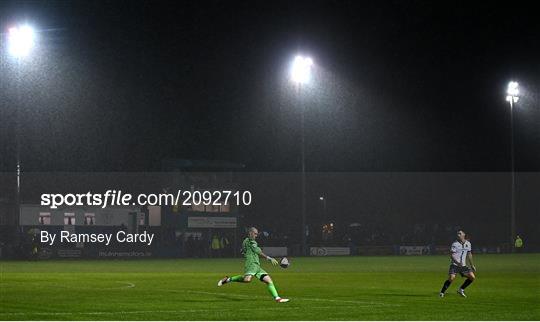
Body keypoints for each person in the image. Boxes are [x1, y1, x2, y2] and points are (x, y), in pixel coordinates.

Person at [217, 227, 289, 303]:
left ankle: (277, 298)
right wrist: (269, 258)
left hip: (257, 265)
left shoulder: (245, 241)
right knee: (247, 280)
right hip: (251, 263)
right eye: (255, 233)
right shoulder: (252, 242)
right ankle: (229, 279)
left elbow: (243, 250)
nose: (256, 235)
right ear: (250, 233)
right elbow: (258, 251)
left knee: (269, 280)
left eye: (257, 234)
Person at [439, 230, 476, 298]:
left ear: (464, 235)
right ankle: (442, 292)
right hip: (455, 265)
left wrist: (472, 265)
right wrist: (457, 263)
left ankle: (461, 289)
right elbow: (452, 255)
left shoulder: (468, 243)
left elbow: (469, 254)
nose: (458, 235)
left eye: (460, 233)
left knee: (472, 277)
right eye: (457, 234)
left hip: (463, 266)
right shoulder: (455, 244)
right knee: (451, 278)